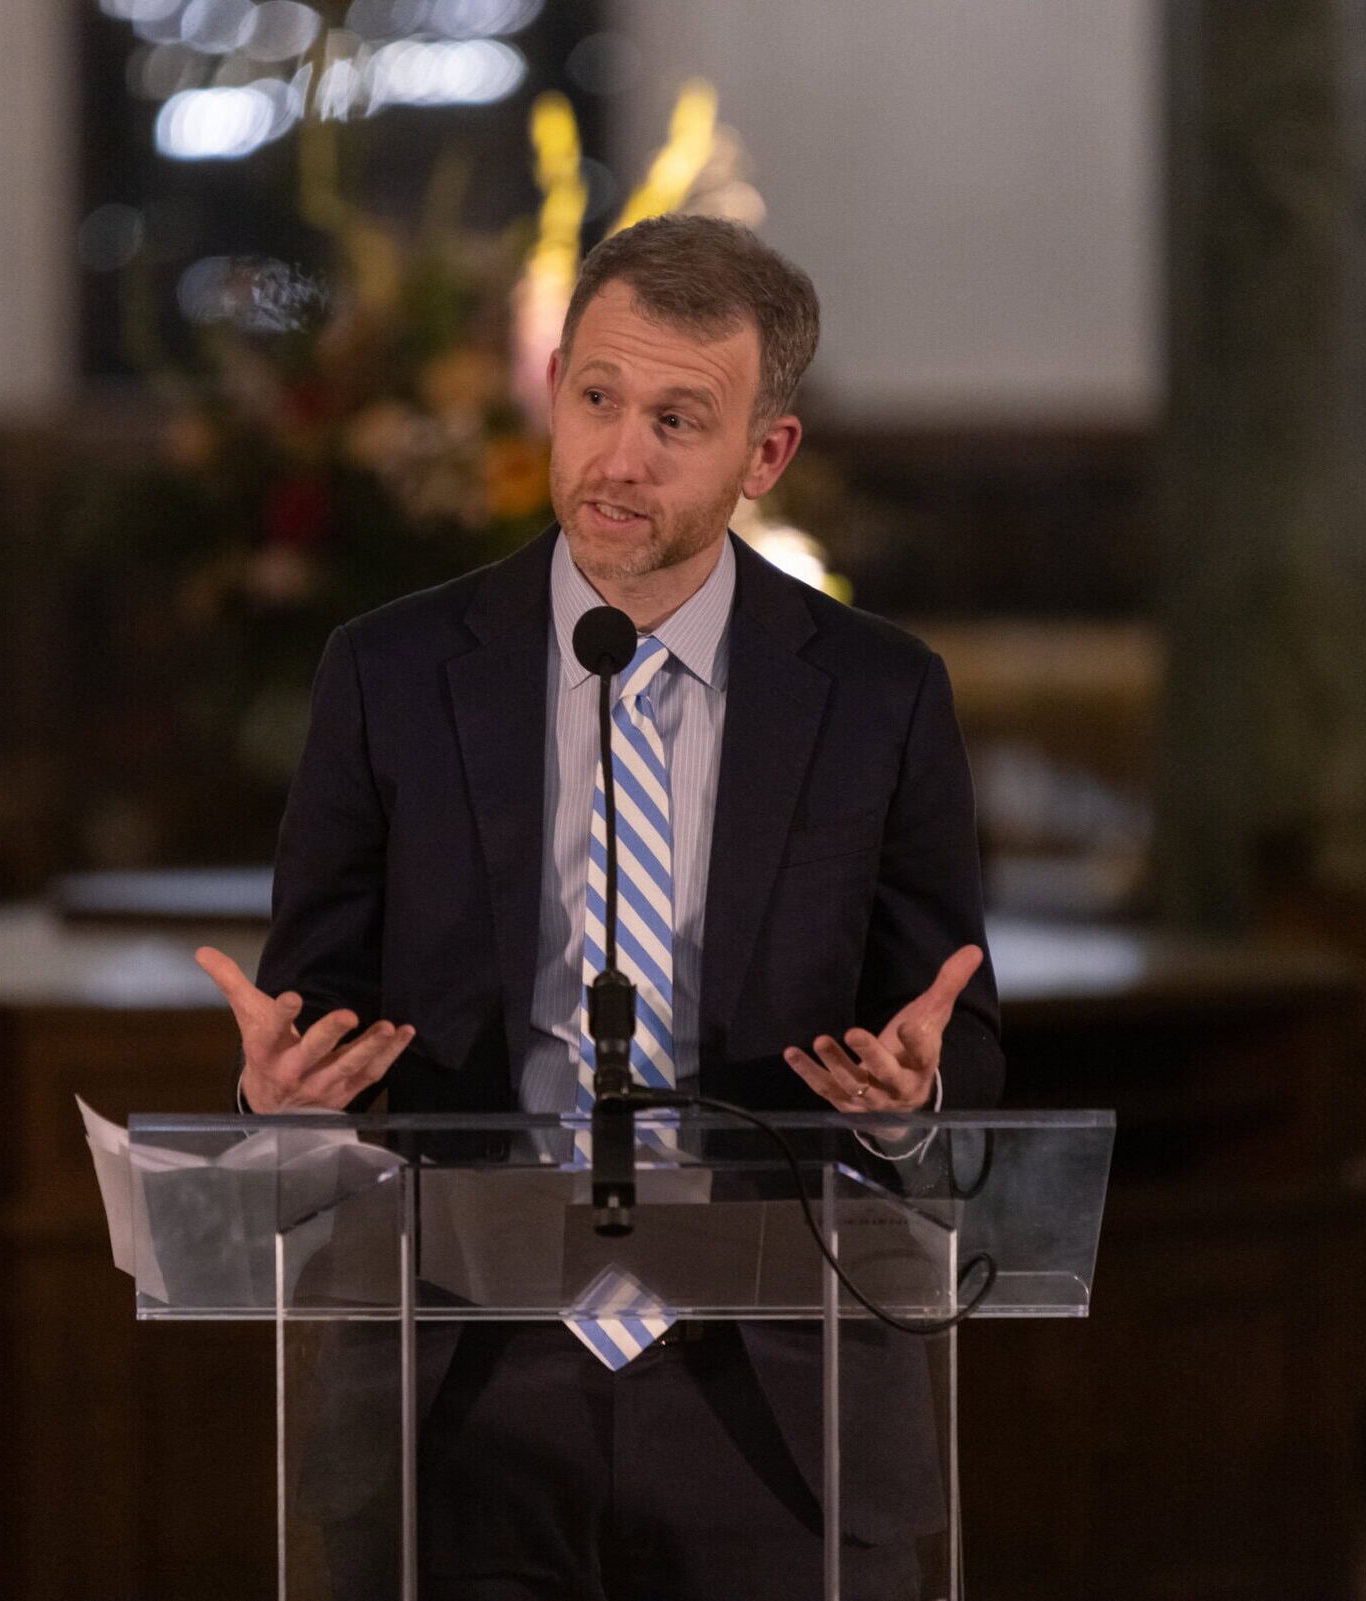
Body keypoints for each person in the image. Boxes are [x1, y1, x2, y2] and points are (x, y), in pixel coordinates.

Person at [198, 214, 1003, 1600]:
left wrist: (909, 1105)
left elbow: (957, 1040)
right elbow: (319, 999)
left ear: (767, 455)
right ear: (553, 386)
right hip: (466, 1373)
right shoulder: (390, 675)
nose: (619, 458)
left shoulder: (877, 695)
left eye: (678, 420)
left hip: (775, 1390)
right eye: (596, 399)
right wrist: (292, 1091)